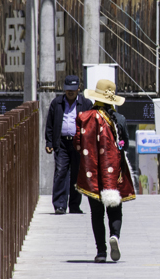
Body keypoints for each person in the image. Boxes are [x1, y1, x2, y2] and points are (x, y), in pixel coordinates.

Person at [75, 79, 136, 263]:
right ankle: (115, 236)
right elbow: (124, 142)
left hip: (91, 173)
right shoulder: (119, 119)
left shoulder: (84, 118)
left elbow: (77, 144)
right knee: (115, 210)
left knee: (96, 213)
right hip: (113, 173)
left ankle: (101, 252)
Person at [45, 75, 93, 214]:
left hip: (79, 144)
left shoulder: (86, 104)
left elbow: (90, 126)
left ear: (79, 88)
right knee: (61, 172)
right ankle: (60, 205)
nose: (70, 92)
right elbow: (50, 124)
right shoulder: (56, 103)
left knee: (77, 175)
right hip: (62, 143)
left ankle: (74, 205)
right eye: (67, 89)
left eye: (73, 89)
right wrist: (49, 142)